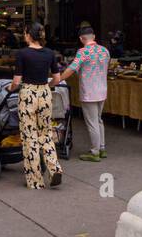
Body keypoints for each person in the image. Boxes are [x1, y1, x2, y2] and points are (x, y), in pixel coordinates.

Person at [9, 24, 63, 189]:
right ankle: (54, 168)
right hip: (45, 93)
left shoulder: (22, 53)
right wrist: (48, 86)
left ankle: (35, 181)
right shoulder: (49, 53)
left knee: (29, 135)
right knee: (46, 133)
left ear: (28, 35)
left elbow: (17, 81)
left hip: (28, 94)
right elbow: (57, 79)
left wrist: (10, 88)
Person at [54, 24, 109, 162]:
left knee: (92, 123)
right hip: (102, 90)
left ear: (81, 38)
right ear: (94, 36)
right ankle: (102, 148)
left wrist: (58, 79)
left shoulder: (83, 51)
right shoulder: (104, 51)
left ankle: (94, 152)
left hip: (89, 92)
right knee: (98, 119)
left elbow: (72, 68)